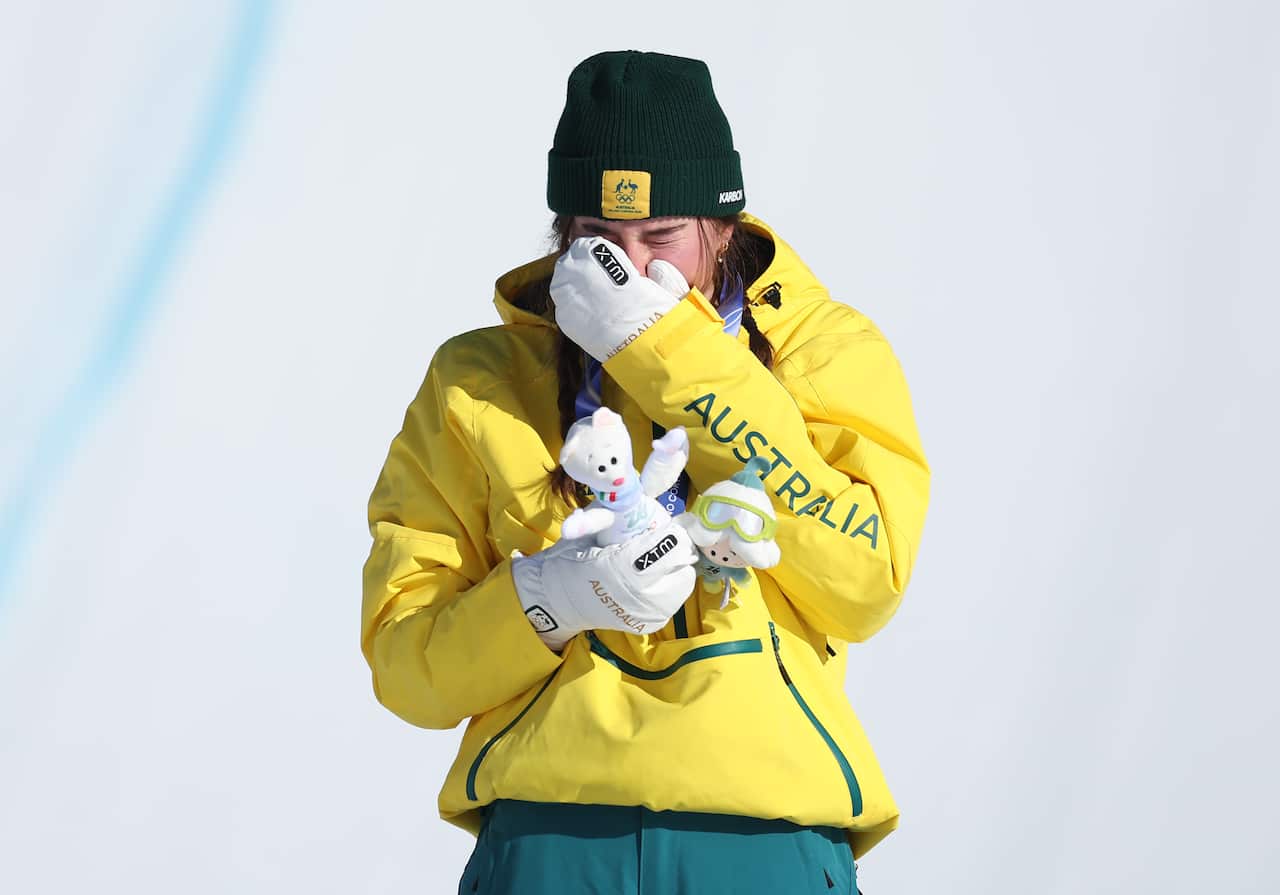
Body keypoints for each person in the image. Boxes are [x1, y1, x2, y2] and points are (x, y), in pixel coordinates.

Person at [361, 50, 930, 895]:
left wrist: (665, 353)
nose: (628, 268)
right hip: (553, 836)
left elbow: (867, 577)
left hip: (760, 837)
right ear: (562, 235)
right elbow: (408, 663)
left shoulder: (825, 351)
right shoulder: (479, 381)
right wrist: (553, 596)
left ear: (722, 229)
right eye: (599, 241)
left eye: (661, 238)